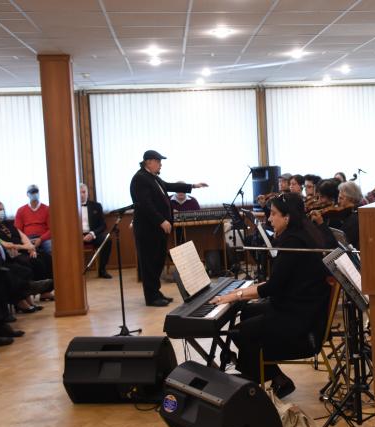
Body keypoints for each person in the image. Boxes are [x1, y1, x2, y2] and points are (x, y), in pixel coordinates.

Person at [210, 193, 331, 398]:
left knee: (242, 332)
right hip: (298, 305)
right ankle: (276, 378)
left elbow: (272, 287)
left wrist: (235, 295)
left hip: (301, 318)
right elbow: (279, 282)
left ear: (287, 217)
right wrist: (239, 293)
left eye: (274, 214)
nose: (269, 218)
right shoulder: (299, 234)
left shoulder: (293, 242)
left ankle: (250, 387)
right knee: (247, 312)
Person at [129, 150, 207, 307]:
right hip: (148, 229)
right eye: (158, 161)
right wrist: (161, 221)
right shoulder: (140, 178)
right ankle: (151, 298)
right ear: (148, 162)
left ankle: (156, 293)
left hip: (156, 230)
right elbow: (146, 204)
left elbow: (169, 185)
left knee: (157, 261)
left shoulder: (152, 177)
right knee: (149, 263)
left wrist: (193, 186)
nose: (160, 165)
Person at [79, 184, 112, 278]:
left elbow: (103, 225)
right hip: (77, 236)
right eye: (79, 192)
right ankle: (74, 271)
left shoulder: (96, 206)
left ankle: (102, 270)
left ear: (87, 193)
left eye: (84, 192)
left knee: (107, 240)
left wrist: (92, 234)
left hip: (93, 235)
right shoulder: (71, 207)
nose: (82, 195)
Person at [14, 185, 52, 255]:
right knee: (23, 252)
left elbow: (52, 229)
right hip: (27, 238)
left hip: (44, 238)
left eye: (36, 192)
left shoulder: (47, 209)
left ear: (39, 193)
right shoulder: (21, 210)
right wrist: (27, 242)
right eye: (32, 192)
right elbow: (17, 230)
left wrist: (41, 239)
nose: (34, 194)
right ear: (27, 194)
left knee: (51, 248)